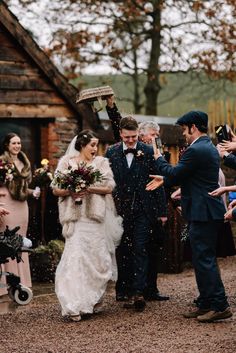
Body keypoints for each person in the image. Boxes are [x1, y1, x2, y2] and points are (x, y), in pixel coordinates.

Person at [146, 111, 232, 323]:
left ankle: (220, 305)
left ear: (193, 127)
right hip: (203, 210)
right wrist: (164, 178)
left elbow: (176, 174)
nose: (184, 134)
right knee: (200, 258)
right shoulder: (206, 147)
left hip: (204, 212)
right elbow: (188, 177)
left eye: (184, 130)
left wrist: (158, 157)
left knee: (205, 259)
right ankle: (205, 303)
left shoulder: (198, 149)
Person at [52, 130, 123, 321]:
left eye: (96, 145)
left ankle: (91, 300)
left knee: (99, 261)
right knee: (75, 259)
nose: (95, 149)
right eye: (92, 145)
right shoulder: (67, 162)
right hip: (76, 219)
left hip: (95, 219)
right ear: (82, 145)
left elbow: (109, 187)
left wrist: (88, 188)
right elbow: (56, 189)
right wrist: (71, 191)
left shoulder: (101, 163)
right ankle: (73, 304)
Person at [106, 97, 169, 302]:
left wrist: (162, 212)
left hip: (144, 208)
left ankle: (139, 291)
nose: (131, 140)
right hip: (120, 208)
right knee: (123, 248)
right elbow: (107, 180)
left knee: (141, 247)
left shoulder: (149, 151)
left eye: (133, 137)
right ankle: (123, 290)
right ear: (121, 135)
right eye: (127, 137)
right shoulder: (112, 152)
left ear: (137, 135)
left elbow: (158, 182)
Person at [0, 133, 39, 296]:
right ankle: (5, 283)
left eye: (19, 143)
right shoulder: (2, 161)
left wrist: (33, 192)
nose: (17, 146)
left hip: (22, 206)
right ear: (7, 145)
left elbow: (22, 188)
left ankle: (22, 282)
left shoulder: (24, 163)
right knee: (6, 240)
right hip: (5, 202)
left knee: (20, 240)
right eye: (14, 143)